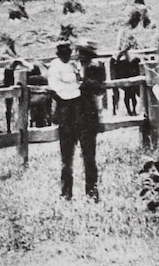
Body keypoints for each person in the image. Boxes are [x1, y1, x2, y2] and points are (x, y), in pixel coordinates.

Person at [47, 39, 104, 201]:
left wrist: (83, 83)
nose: (78, 55)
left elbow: (100, 89)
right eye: (78, 52)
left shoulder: (95, 67)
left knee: (89, 157)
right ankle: (66, 193)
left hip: (87, 118)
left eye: (82, 52)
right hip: (68, 118)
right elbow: (56, 90)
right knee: (66, 158)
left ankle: (91, 192)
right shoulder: (67, 68)